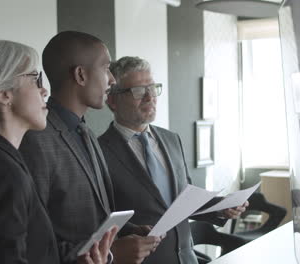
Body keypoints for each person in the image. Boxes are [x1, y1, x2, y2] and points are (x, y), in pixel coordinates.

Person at [0, 39, 115, 264]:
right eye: (35, 79)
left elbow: (34, 250)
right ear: (4, 94)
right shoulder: (0, 173)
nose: (44, 90)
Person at [19, 31, 161, 264]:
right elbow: (34, 242)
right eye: (106, 68)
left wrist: (127, 232)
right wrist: (112, 254)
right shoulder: (35, 140)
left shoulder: (86, 132)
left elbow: (93, 217)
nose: (112, 80)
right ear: (81, 75)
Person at [98, 56, 248, 264]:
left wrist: (220, 207)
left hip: (186, 258)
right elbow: (101, 219)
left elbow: (184, 199)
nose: (150, 97)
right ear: (112, 100)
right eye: (139, 91)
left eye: (153, 88)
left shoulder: (171, 139)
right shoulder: (98, 152)